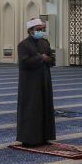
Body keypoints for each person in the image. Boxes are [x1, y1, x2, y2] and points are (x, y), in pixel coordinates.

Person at [16, 17, 56, 147]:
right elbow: (24, 62)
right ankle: (29, 139)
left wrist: (47, 59)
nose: (41, 31)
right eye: (39, 29)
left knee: (44, 107)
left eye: (42, 29)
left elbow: (52, 59)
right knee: (32, 109)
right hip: (30, 83)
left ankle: (44, 137)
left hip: (44, 80)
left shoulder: (45, 43)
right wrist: (40, 58)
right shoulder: (23, 45)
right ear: (30, 30)